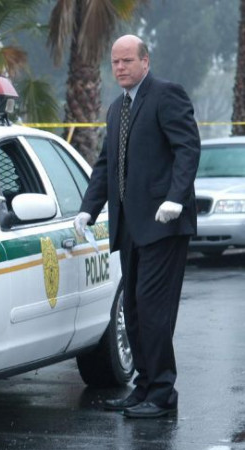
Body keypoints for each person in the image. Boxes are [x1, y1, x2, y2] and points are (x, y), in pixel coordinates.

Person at [74, 35, 200, 419]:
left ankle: (162, 392)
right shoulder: (117, 108)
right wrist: (87, 210)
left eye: (127, 60)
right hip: (128, 226)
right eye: (115, 61)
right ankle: (144, 386)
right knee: (132, 308)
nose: (120, 67)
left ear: (145, 61)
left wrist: (176, 198)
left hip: (164, 224)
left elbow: (187, 148)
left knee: (152, 309)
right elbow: (105, 165)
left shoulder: (166, 95)